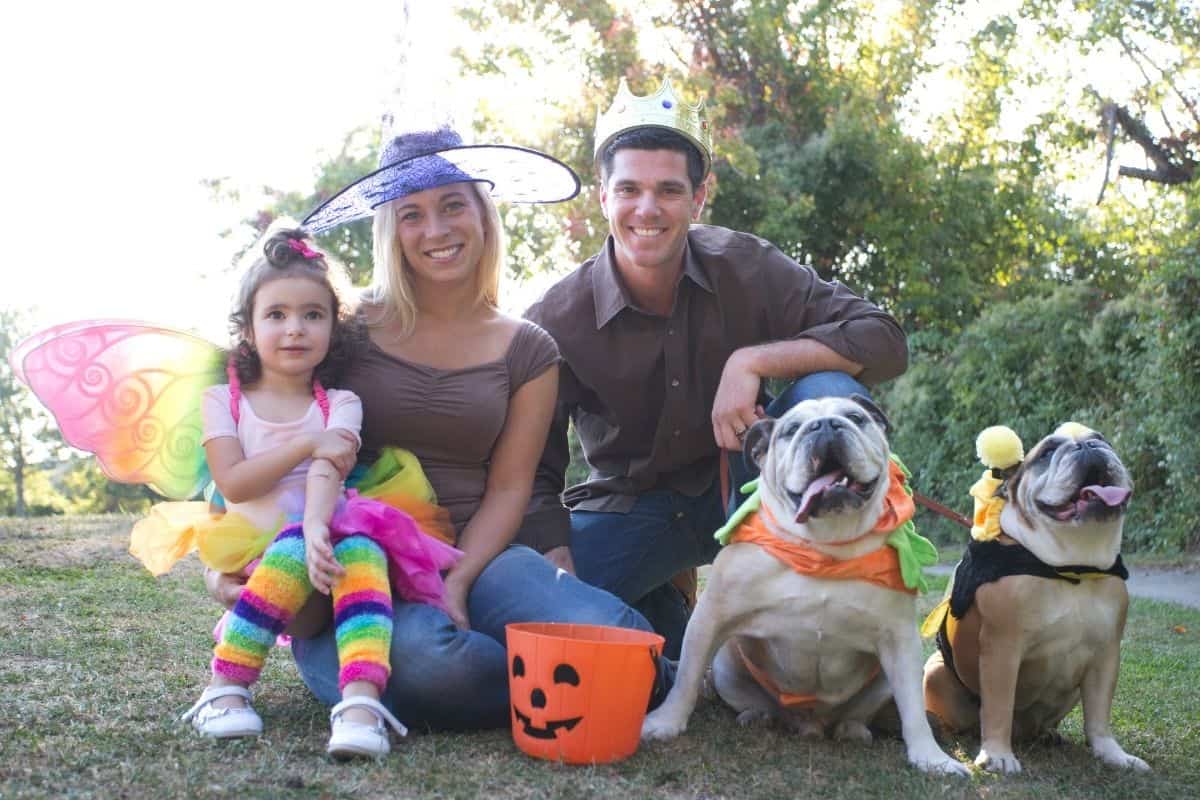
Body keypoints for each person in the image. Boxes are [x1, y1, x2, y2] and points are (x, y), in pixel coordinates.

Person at [207, 126, 656, 731]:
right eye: (412, 214)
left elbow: (510, 488)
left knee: (613, 634)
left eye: (452, 205)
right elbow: (257, 421)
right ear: (389, 230)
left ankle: (628, 669)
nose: (436, 230)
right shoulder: (340, 326)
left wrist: (460, 581)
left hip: (479, 554)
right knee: (437, 665)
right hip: (354, 565)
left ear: (482, 213)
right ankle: (557, 682)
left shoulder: (529, 348)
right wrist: (223, 558)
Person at [524, 78, 910, 658]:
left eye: (669, 190)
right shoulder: (556, 317)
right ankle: (665, 604)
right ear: (603, 197)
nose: (647, 209)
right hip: (633, 508)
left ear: (699, 198)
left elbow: (884, 339)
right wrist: (563, 575)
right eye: (628, 189)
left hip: (761, 487)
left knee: (827, 389)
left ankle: (844, 601)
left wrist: (754, 359)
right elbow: (535, 470)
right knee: (541, 606)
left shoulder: (745, 264)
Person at [181, 229, 462, 758]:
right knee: (292, 545)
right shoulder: (223, 400)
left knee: (363, 546)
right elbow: (235, 481)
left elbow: (326, 474)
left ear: (334, 327)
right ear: (248, 328)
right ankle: (225, 687)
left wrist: (315, 528)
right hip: (260, 563)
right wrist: (308, 442)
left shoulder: (342, 403)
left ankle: (361, 705)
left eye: (313, 315)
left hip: (326, 552)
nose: (295, 328)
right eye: (276, 314)